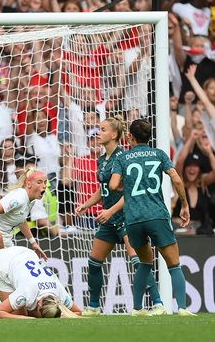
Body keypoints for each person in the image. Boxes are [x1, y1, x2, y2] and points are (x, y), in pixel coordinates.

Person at [75, 116, 165, 316]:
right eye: (99, 129)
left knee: (139, 262)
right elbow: (104, 189)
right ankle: (94, 306)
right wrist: (86, 205)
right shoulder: (102, 159)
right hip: (109, 221)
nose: (99, 133)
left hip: (126, 217)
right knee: (94, 262)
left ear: (114, 134)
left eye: (103, 129)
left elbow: (129, 192)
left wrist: (110, 211)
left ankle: (157, 303)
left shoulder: (123, 158)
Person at [110, 119, 195, 316]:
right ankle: (182, 308)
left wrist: (128, 188)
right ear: (150, 137)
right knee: (173, 264)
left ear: (130, 137)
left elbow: (113, 186)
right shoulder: (159, 154)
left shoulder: (123, 158)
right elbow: (175, 178)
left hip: (133, 219)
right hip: (157, 215)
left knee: (145, 263)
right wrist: (184, 204)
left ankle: (137, 309)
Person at [0, 246, 82, 319]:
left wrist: (61, 316)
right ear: (39, 304)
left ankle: (2, 299)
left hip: (25, 254)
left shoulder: (60, 295)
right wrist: (25, 318)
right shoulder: (27, 292)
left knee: (30, 312)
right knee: (18, 313)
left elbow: (78, 312)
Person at [0, 167, 48, 268]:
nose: (44, 186)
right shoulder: (19, 198)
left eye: (45, 182)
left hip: (5, 242)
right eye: (39, 182)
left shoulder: (31, 201)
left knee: (14, 275)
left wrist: (33, 243)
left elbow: (21, 220)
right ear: (28, 184)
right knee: (8, 278)